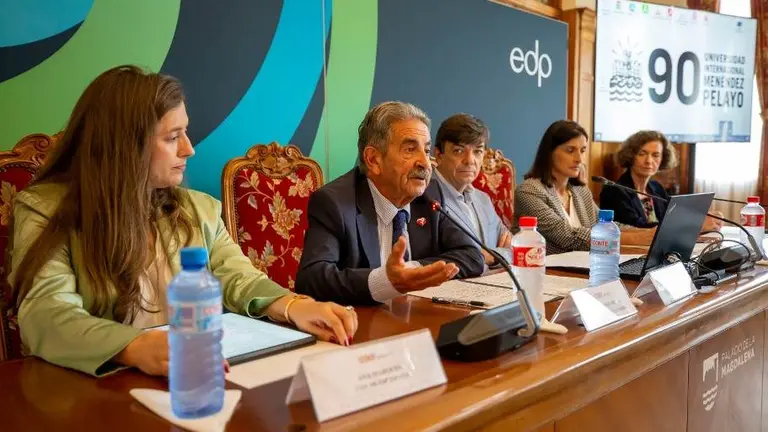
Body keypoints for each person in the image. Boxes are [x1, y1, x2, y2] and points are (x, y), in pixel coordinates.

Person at [9, 65, 357, 378]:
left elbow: (238, 276)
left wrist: (295, 306)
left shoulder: (198, 209)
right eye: (172, 137)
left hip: (188, 381)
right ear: (124, 145)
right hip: (92, 391)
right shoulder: (44, 209)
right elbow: (46, 313)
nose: (189, 149)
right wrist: (133, 348)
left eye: (185, 133)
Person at [295, 102, 484, 305]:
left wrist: (412, 272)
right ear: (374, 159)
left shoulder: (430, 195)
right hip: (360, 325)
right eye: (410, 149)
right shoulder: (336, 202)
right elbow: (311, 279)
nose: (425, 162)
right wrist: (385, 281)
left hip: (417, 321)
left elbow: (472, 256)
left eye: (426, 150)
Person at [514, 120, 655, 254]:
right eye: (570, 150)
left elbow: (607, 225)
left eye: (582, 151)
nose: (579, 159)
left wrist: (648, 233)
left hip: (584, 268)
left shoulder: (580, 192)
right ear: (550, 152)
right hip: (544, 271)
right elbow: (567, 236)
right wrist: (639, 238)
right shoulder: (529, 191)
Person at [601, 130, 722, 231]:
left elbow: (672, 219)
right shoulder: (614, 191)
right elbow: (638, 228)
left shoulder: (656, 188)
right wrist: (695, 225)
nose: (649, 161)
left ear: (663, 159)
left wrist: (700, 218)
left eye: (655, 155)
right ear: (631, 156)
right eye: (642, 154)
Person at [432, 113, 511, 267]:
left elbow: (512, 246)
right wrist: (489, 256)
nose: (470, 161)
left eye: (477, 151)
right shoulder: (423, 198)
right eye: (458, 151)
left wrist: (494, 255)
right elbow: (439, 261)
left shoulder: (483, 199)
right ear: (438, 155)